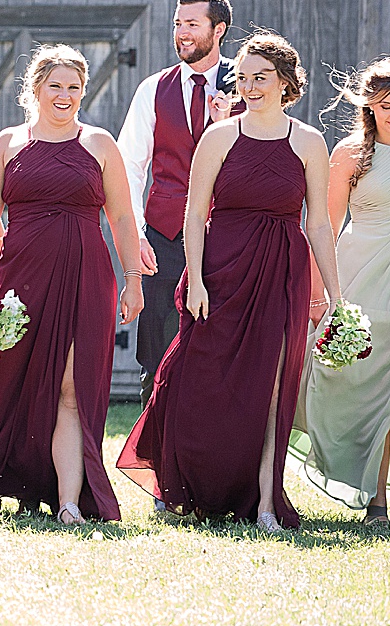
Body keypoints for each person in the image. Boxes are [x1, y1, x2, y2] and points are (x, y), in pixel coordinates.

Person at [117, 32, 344, 532]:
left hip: (281, 271)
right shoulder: (219, 137)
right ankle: (182, 480)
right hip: (219, 271)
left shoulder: (308, 142)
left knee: (272, 385)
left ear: (286, 82)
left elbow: (320, 224)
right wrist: (194, 279)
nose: (250, 86)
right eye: (243, 77)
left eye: (261, 77)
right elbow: (194, 215)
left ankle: (265, 499)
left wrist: (332, 291)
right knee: (198, 377)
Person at [0, 45, 145, 524]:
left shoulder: (99, 143)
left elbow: (122, 217)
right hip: (20, 279)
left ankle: (66, 502)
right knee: (5, 381)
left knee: (71, 388)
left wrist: (133, 280)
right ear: (35, 89)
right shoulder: (9, 142)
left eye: (74, 87)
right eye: (55, 86)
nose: (64, 95)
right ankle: (1, 476)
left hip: (86, 277)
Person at [295, 58, 390, 525]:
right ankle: (377, 500)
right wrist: (319, 296)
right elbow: (324, 224)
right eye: (386, 106)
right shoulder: (349, 152)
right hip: (361, 277)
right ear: (369, 104)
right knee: (375, 387)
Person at [116, 0, 241, 409]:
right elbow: (127, 167)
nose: (182, 33)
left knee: (224, 348)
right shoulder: (154, 88)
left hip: (228, 238)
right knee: (156, 353)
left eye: (192, 24)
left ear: (218, 29)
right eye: (178, 24)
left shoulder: (248, 88)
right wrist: (136, 235)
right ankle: (154, 458)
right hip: (164, 240)